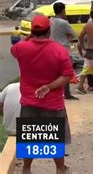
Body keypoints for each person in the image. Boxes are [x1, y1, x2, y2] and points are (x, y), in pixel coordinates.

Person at [11, 15, 73, 174]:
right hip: (53, 104)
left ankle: (27, 168)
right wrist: (49, 86)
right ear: (49, 30)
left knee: (30, 138)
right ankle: (60, 169)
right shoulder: (59, 51)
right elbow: (67, 75)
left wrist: (30, 36)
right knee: (55, 139)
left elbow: (15, 47)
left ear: (32, 31)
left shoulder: (21, 49)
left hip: (29, 102)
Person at [50, 2, 79, 100]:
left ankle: (55, 93)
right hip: (63, 50)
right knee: (67, 73)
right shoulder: (64, 23)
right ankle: (67, 93)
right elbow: (74, 35)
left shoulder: (50, 20)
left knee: (54, 73)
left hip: (52, 50)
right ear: (63, 11)